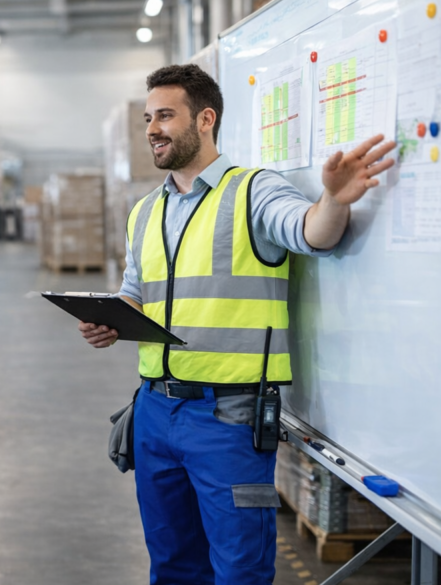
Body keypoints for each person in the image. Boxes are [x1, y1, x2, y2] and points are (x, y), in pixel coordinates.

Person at [78, 64, 396, 585]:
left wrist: (334, 200)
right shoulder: (143, 213)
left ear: (205, 119)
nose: (153, 128)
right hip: (155, 409)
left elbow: (311, 232)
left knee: (239, 570)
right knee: (172, 564)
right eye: (147, 118)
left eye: (165, 116)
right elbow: (135, 295)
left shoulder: (251, 191)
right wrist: (111, 321)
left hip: (227, 417)